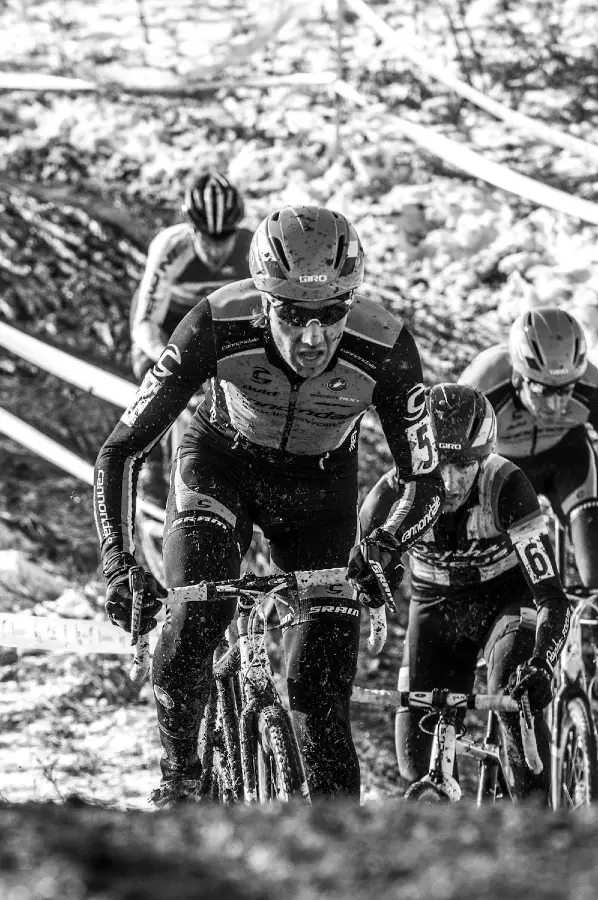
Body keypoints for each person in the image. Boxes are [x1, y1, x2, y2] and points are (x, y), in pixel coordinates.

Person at [93, 205, 444, 808]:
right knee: (194, 616)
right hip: (219, 464)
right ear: (262, 300)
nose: (312, 338)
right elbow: (121, 451)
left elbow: (427, 482)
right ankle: (181, 780)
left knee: (319, 691)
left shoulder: (385, 346)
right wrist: (119, 561)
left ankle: (335, 850)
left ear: (351, 302)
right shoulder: (214, 324)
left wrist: (386, 545)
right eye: (291, 314)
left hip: (319, 489)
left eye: (331, 314)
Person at [359, 383, 570, 802]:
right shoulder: (390, 494)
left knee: (514, 692)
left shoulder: (507, 485)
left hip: (508, 603)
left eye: (465, 465)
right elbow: (348, 583)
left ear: (484, 457)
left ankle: (537, 833)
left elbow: (551, 597)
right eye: (440, 465)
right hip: (435, 610)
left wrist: (543, 664)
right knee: (414, 768)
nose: (452, 481)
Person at [130, 171, 252, 505]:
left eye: (225, 236)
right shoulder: (171, 247)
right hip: (165, 325)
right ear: (191, 229)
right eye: (208, 238)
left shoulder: (250, 248)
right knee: (155, 376)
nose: (216, 248)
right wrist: (171, 361)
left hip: (212, 326)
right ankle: (151, 467)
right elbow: (144, 324)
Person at [459, 306, 598, 589]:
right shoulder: (484, 385)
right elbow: (445, 455)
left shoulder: (589, 384)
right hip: (505, 472)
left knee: (596, 574)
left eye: (565, 390)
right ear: (519, 376)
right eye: (544, 391)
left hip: (567, 463)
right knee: (499, 582)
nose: (556, 405)